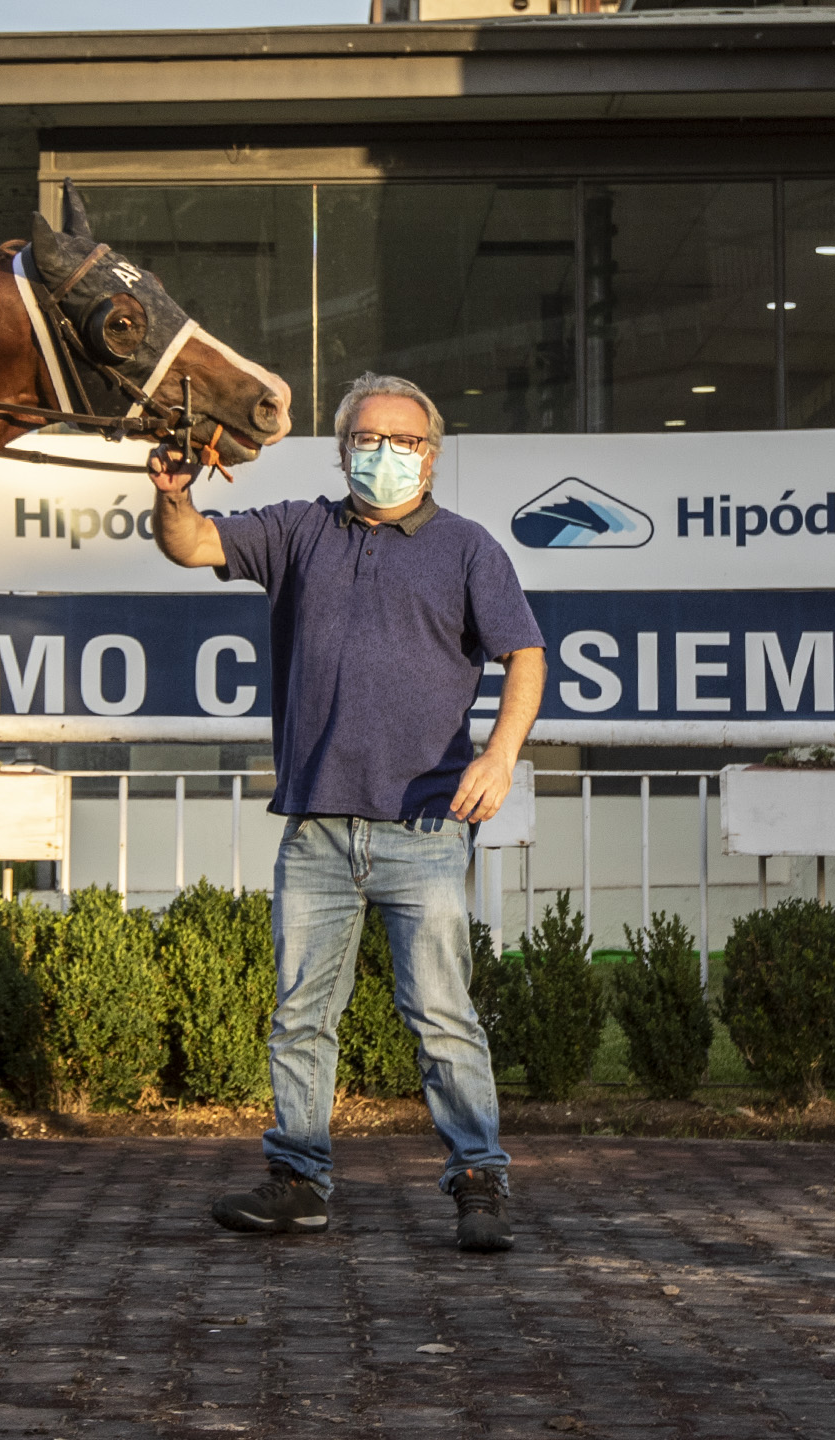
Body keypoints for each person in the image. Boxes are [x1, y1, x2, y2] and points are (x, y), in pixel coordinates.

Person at [149, 372, 546, 1254]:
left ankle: (479, 1180)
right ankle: (298, 1182)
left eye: (404, 441)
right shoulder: (298, 531)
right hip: (318, 828)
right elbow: (192, 543)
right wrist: (172, 495)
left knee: (442, 1016)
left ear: (430, 457)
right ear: (342, 452)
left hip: (426, 827)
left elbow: (525, 653)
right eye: (369, 439)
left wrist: (499, 756)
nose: (385, 454)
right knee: (301, 1016)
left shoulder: (469, 549)